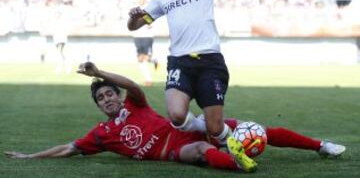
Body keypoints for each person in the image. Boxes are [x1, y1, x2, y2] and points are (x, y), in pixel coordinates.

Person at [5, 62, 346, 173]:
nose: (108, 98)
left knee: (258, 130)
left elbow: (133, 84)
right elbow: (68, 148)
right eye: (102, 97)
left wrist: (101, 72)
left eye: (110, 93)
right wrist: (29, 156)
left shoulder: (134, 104)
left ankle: (321, 145)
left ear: (118, 96)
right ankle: (239, 163)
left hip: (187, 126)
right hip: (173, 149)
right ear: (98, 106)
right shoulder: (101, 134)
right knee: (198, 152)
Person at [127, 0, 297, 154]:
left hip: (210, 62)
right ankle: (214, 134)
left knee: (215, 128)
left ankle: (221, 136)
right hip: (180, 61)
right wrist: (133, 19)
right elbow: (135, 26)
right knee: (177, 115)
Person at [131, 0, 159, 86]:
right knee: (140, 58)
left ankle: (148, 80)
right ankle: (154, 62)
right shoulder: (134, 9)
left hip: (147, 36)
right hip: (137, 36)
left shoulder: (148, 8)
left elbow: (151, 21)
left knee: (145, 58)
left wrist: (143, 19)